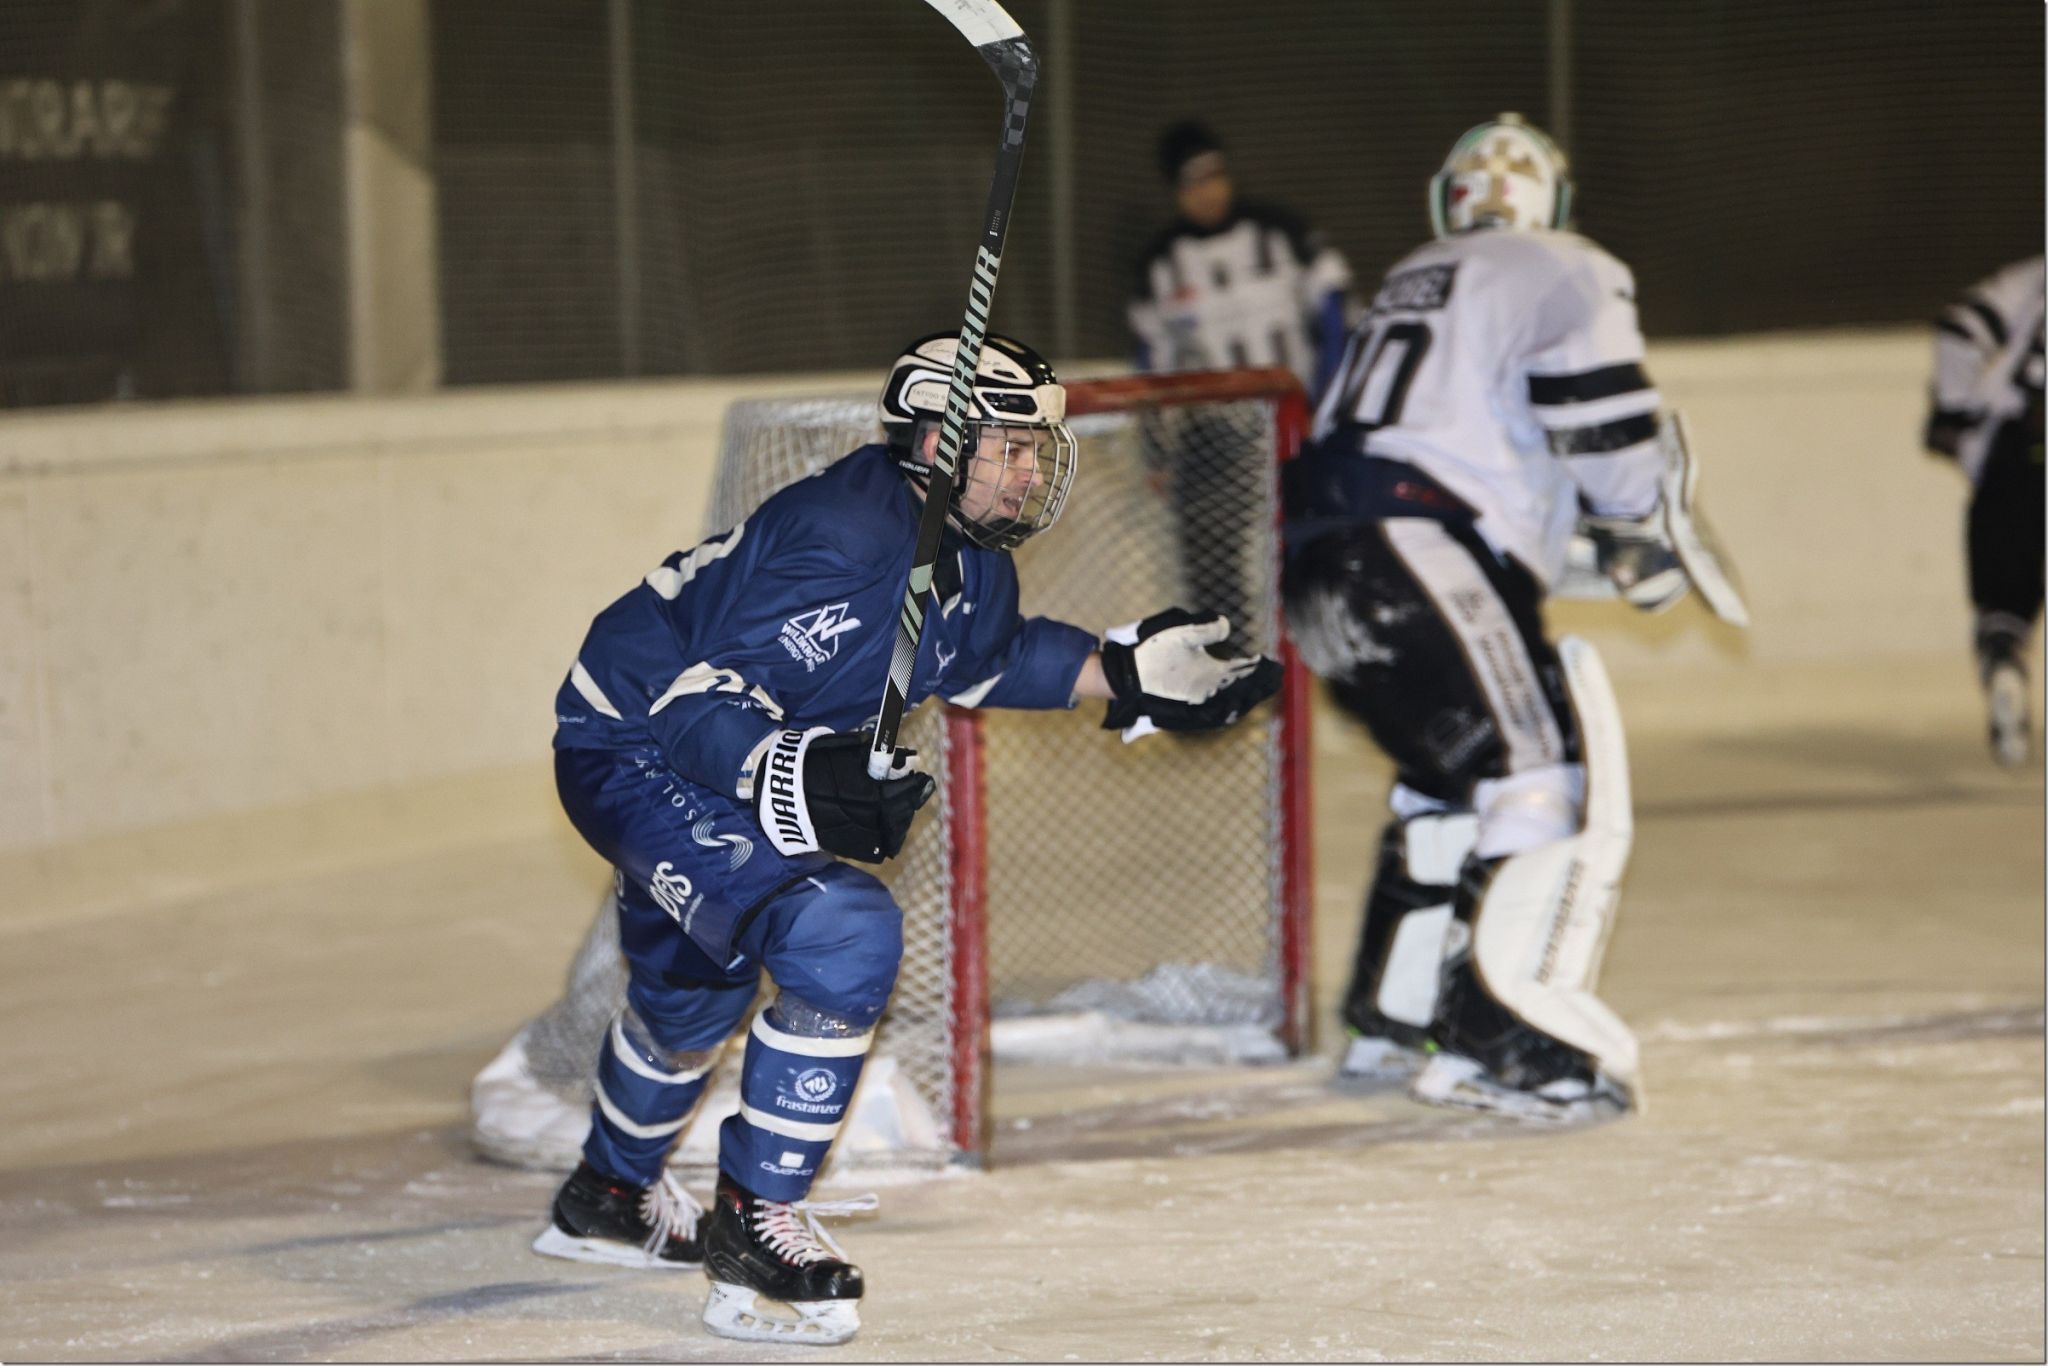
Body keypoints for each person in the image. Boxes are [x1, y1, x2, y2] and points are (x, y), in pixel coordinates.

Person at [528, 331, 1281, 1345]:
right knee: (841, 932)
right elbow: (696, 704)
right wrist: (795, 771)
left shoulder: (965, 551)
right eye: (1007, 448)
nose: (1029, 473)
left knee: (693, 992)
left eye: (1033, 452)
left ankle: (605, 1200)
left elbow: (984, 658)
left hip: (684, 749)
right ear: (936, 442)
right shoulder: (845, 537)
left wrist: (1123, 673)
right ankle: (754, 1225)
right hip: (636, 747)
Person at [1283, 113, 1699, 1124]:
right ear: (1550, 197)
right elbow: (1601, 423)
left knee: (1450, 775)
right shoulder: (1565, 264)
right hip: (1414, 548)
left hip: (1317, 561)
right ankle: (1502, 1043)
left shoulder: (1414, 276)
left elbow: (1452, 443)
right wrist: (1640, 521)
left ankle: (1394, 1018)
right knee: (1537, 771)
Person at [1129, 120, 1354, 648]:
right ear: (1175, 190)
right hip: (1216, 432)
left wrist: (1327, 404)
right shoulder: (1160, 264)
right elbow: (1150, 364)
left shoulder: (1282, 232)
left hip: (1295, 420)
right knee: (1211, 557)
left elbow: (1334, 310)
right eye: (1192, 182)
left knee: (1317, 538)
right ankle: (1231, 666)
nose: (1207, 191)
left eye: (1214, 175)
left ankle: (1328, 654)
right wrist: (1157, 451)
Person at [1922, 255, 2045, 767]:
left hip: (2022, 453)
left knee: (2003, 609)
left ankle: (2005, 670)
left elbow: (1960, 328)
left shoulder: (2035, 279)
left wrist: (1955, 412)